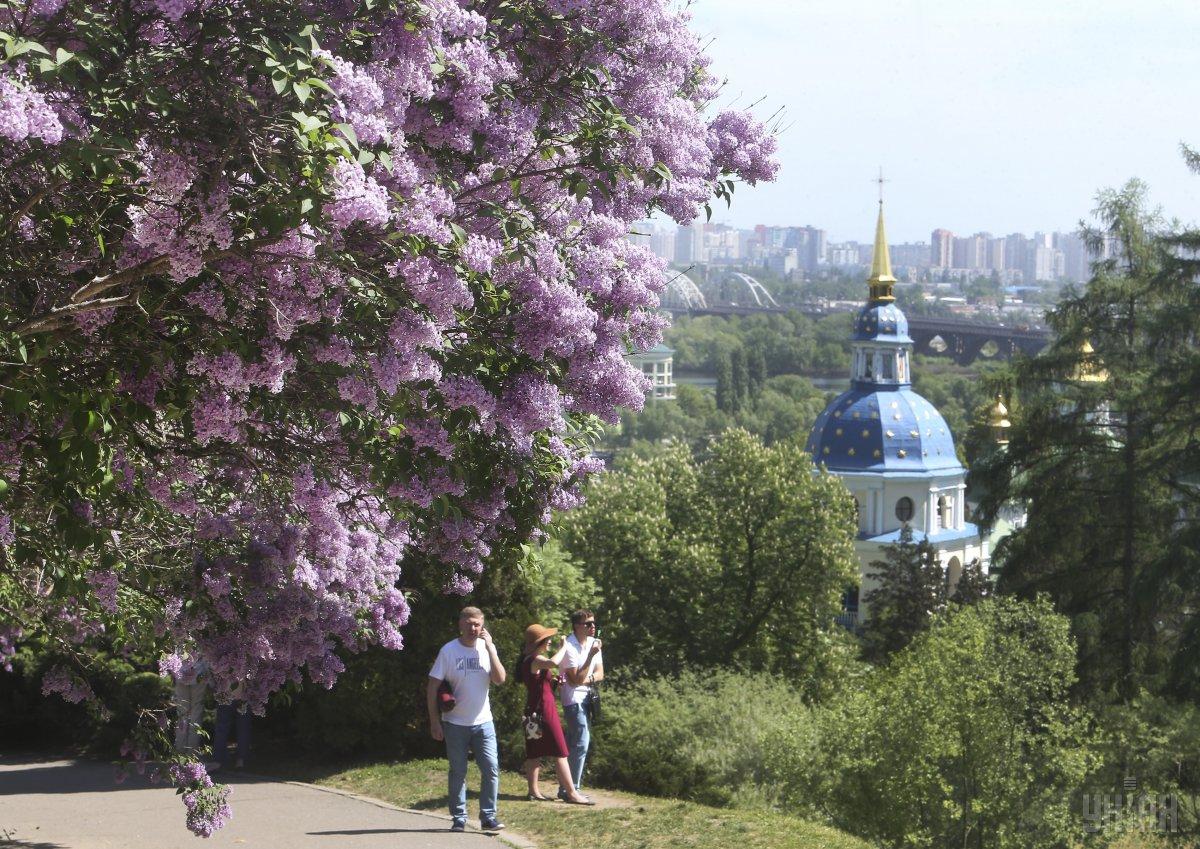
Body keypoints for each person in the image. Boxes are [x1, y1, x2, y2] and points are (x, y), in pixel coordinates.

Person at [427, 606, 506, 833]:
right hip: (454, 724)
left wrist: (490, 648)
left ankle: (488, 817)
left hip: (484, 723)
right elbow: (432, 686)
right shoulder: (449, 651)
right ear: (460, 625)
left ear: (483, 626)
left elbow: (500, 679)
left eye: (477, 624)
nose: (473, 628)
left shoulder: (486, 648)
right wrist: (434, 721)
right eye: (469, 623)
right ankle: (459, 818)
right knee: (458, 771)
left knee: (491, 769)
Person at [517, 624, 594, 805]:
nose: (550, 641)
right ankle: (572, 793)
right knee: (560, 751)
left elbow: (538, 685)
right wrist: (565, 648)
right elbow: (553, 663)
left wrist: (554, 684)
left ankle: (533, 791)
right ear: (540, 642)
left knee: (534, 752)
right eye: (547, 639)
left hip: (534, 709)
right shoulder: (535, 659)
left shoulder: (529, 659)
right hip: (544, 710)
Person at [559, 609, 603, 796]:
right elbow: (573, 679)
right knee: (581, 743)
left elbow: (600, 673)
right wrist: (590, 657)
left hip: (587, 696)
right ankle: (572, 789)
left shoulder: (594, 643)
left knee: (575, 743)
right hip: (573, 700)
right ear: (577, 626)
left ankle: (565, 788)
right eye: (588, 624)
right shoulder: (569, 646)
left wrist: (585, 680)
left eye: (594, 623)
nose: (593, 627)